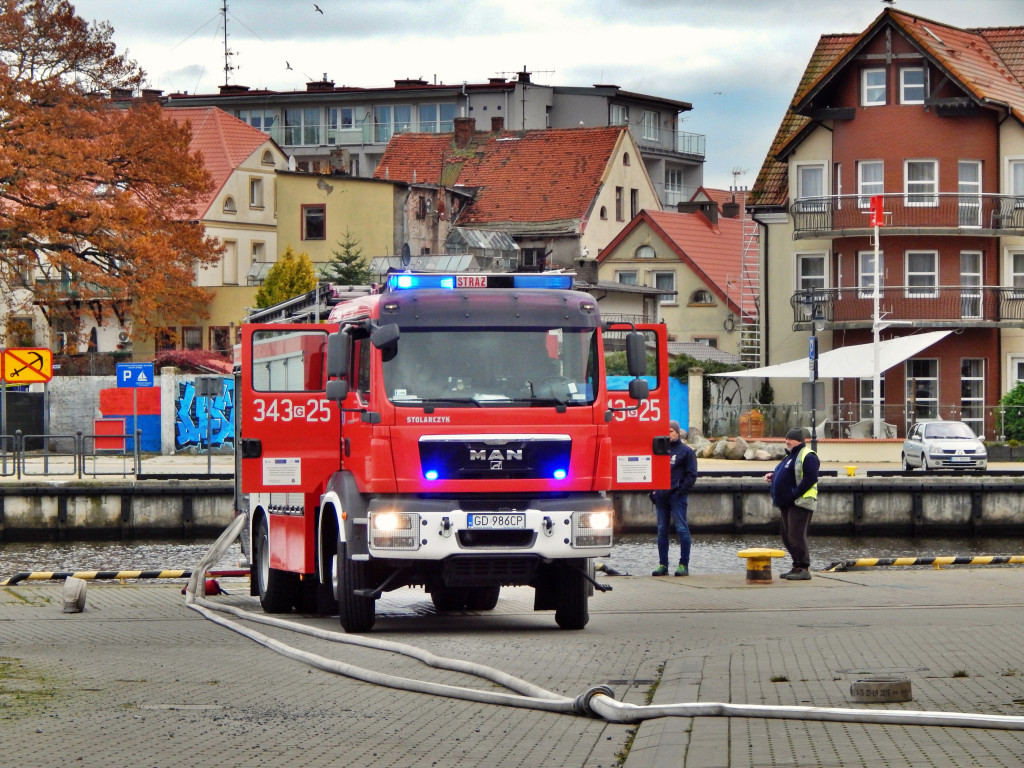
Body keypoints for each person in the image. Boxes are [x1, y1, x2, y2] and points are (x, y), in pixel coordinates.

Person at [764, 427, 820, 580]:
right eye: (786, 439)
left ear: (799, 441)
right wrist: (774, 476)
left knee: (796, 536)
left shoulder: (808, 456)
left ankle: (804, 568)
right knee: (787, 537)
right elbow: (788, 473)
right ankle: (796, 566)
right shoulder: (790, 456)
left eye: (791, 439)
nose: (787, 441)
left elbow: (811, 479)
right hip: (787, 503)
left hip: (800, 503)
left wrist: (794, 494)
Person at [651, 421, 698, 577]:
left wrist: (680, 491)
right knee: (661, 530)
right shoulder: (658, 450)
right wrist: (653, 491)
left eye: (671, 431)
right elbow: (651, 470)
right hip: (661, 496)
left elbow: (691, 475)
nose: (668, 434)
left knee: (682, 529)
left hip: (677, 496)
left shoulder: (686, 452)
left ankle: (683, 565)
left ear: (677, 433)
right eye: (666, 431)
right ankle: (663, 564)